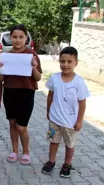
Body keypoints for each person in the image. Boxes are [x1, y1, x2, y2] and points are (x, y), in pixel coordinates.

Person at [0, 24, 42, 164]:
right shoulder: (6, 56)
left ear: (26, 38)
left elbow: (38, 78)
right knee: (12, 124)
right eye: (15, 37)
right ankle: (15, 151)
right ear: (11, 38)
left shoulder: (31, 55)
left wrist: (34, 67)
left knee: (21, 126)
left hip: (26, 93)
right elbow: (1, 80)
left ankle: (26, 152)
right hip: (10, 92)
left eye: (21, 37)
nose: (17, 40)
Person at [42, 46, 90, 178]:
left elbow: (82, 103)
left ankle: (67, 164)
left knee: (70, 144)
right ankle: (51, 161)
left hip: (70, 122)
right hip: (54, 119)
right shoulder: (54, 78)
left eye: (69, 62)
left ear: (76, 63)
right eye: (62, 61)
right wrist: (48, 111)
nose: (65, 65)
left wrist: (79, 120)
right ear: (59, 62)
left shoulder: (79, 82)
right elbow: (50, 96)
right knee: (54, 141)